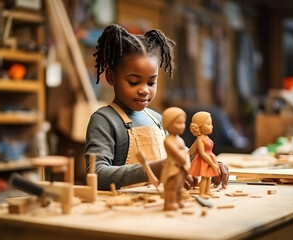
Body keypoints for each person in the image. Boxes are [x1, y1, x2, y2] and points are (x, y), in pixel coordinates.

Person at [85, 23, 228, 190]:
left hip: (157, 205)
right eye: (133, 82)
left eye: (151, 82)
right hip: (122, 209)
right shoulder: (104, 121)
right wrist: (151, 170)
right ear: (111, 77)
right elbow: (95, 174)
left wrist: (209, 163)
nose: (144, 90)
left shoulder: (158, 119)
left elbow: (181, 157)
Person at [160, 107, 190, 211]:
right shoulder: (168, 141)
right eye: (178, 123)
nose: (182, 126)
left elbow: (185, 153)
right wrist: (183, 160)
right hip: (173, 167)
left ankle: (178, 200)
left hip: (181, 168)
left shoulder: (180, 139)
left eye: (183, 123)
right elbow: (176, 154)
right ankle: (170, 203)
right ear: (168, 123)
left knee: (180, 186)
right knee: (171, 187)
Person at [188, 111, 220, 198]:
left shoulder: (206, 137)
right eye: (209, 124)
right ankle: (202, 193)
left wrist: (215, 162)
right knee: (204, 178)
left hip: (209, 158)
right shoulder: (200, 139)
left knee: (208, 177)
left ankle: (207, 191)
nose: (212, 126)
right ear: (200, 125)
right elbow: (202, 153)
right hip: (203, 160)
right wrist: (212, 164)